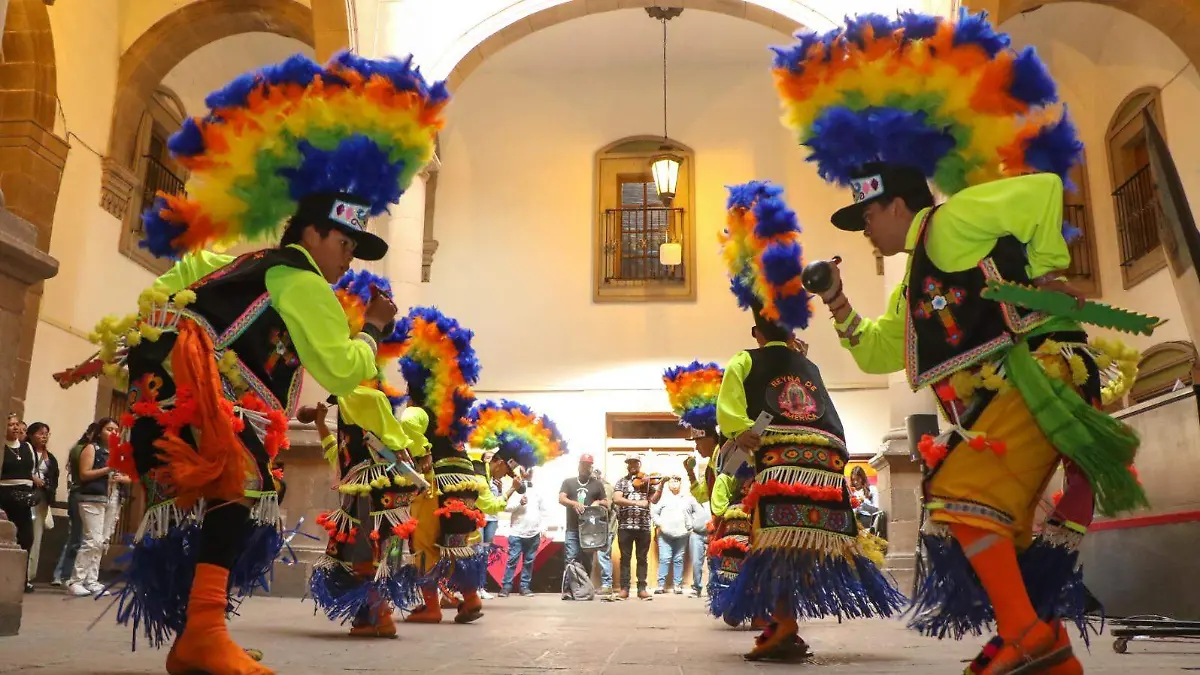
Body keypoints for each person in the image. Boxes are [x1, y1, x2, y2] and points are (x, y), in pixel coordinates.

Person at [773, 11, 1146, 673]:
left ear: (893, 206)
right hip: (1009, 400)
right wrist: (835, 300)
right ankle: (1047, 646)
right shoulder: (913, 275)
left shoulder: (948, 222)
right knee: (1008, 528)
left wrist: (1050, 267)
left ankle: (1026, 633)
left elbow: (1038, 193)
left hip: (1039, 376)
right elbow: (881, 352)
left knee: (960, 497)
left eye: (866, 219)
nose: (866, 234)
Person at [79, 52, 446, 675]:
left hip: (183, 407)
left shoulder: (250, 265)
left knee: (231, 508)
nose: (349, 259)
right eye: (345, 243)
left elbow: (180, 282)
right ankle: (202, 634)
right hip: (223, 420)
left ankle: (201, 634)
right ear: (311, 235)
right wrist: (375, 331)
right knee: (238, 504)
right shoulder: (302, 281)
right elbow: (339, 367)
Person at [716, 181, 904, 661]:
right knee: (799, 547)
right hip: (825, 470)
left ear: (757, 331)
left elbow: (732, 418)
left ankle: (782, 625)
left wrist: (745, 442)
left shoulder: (745, 360)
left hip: (780, 464)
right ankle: (786, 624)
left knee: (772, 545)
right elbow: (833, 422)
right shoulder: (810, 366)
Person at [68, 418, 125, 597]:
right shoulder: (92, 448)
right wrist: (108, 469)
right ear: (100, 431)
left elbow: (130, 476)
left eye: (116, 430)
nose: (113, 433)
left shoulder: (118, 452)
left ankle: (91, 579)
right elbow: (84, 474)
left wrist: (122, 477)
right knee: (92, 539)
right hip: (92, 497)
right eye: (109, 429)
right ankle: (76, 580)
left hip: (113, 497)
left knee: (102, 541)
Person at [1, 413, 36, 593]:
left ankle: (22, 578)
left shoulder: (27, 447)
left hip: (24, 496)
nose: (15, 428)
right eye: (10, 425)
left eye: (17, 424)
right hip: (5, 494)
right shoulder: (2, 447)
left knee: (26, 537)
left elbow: (31, 471)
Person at [557, 454, 608, 577]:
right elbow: (561, 498)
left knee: (587, 561)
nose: (586, 468)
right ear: (579, 466)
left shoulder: (597, 484)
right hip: (573, 528)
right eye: (583, 465)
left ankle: (585, 589)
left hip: (590, 530)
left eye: (588, 465)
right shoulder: (568, 482)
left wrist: (598, 502)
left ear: (591, 467)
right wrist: (574, 504)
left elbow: (607, 502)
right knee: (571, 559)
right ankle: (569, 590)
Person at [612, 457, 654, 600]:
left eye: (635, 463)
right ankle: (624, 589)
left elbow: (655, 499)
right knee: (625, 558)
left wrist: (660, 486)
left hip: (644, 526)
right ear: (627, 466)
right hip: (625, 526)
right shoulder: (621, 482)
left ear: (639, 465)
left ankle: (642, 588)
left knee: (642, 558)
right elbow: (617, 499)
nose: (632, 466)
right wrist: (636, 503)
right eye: (629, 463)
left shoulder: (647, 482)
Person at [500, 472, 545, 597]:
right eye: (525, 470)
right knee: (512, 560)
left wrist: (543, 527)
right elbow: (504, 507)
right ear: (520, 471)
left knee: (529, 562)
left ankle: (525, 587)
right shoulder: (514, 488)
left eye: (530, 471)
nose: (528, 473)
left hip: (534, 532)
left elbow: (543, 510)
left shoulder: (537, 489)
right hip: (517, 532)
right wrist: (519, 503)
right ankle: (506, 587)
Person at [25, 422, 58, 585]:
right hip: (24, 496)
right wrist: (32, 478)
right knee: (23, 535)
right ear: (31, 435)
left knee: (36, 538)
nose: (44, 436)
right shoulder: (24, 450)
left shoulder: (50, 458)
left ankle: (29, 576)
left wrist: (47, 487)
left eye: (46, 433)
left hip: (42, 499)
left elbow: (54, 478)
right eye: (40, 433)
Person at [51, 438, 85, 587]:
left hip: (86, 499)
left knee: (79, 540)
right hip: (80, 498)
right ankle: (62, 574)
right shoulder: (81, 451)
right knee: (75, 539)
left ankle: (67, 575)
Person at [651, 475, 691, 594]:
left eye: (677, 481)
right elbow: (654, 512)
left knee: (679, 559)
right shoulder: (662, 498)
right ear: (668, 484)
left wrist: (689, 527)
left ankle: (677, 585)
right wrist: (659, 524)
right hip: (665, 534)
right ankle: (661, 585)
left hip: (682, 534)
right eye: (672, 481)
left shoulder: (686, 498)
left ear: (681, 484)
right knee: (665, 558)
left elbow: (692, 513)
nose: (674, 483)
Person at [593, 468, 616, 595]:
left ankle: (607, 585)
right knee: (602, 555)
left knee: (603, 555)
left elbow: (605, 507)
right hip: (597, 528)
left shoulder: (605, 487)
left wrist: (595, 503)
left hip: (607, 527)